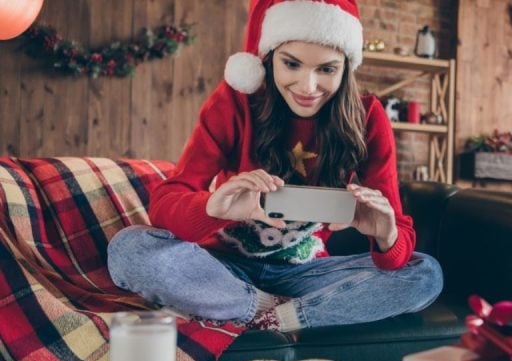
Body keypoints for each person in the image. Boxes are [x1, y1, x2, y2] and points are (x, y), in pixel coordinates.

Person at [107, 0, 443, 332]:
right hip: (221, 267)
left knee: (425, 273)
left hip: (307, 274)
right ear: (269, 58)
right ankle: (267, 308)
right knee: (129, 249)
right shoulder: (235, 101)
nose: (308, 87)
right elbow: (165, 205)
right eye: (292, 64)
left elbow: (398, 254)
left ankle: (269, 315)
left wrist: (386, 234)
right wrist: (212, 207)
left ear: (346, 68)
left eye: (327, 69)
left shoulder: (367, 116)